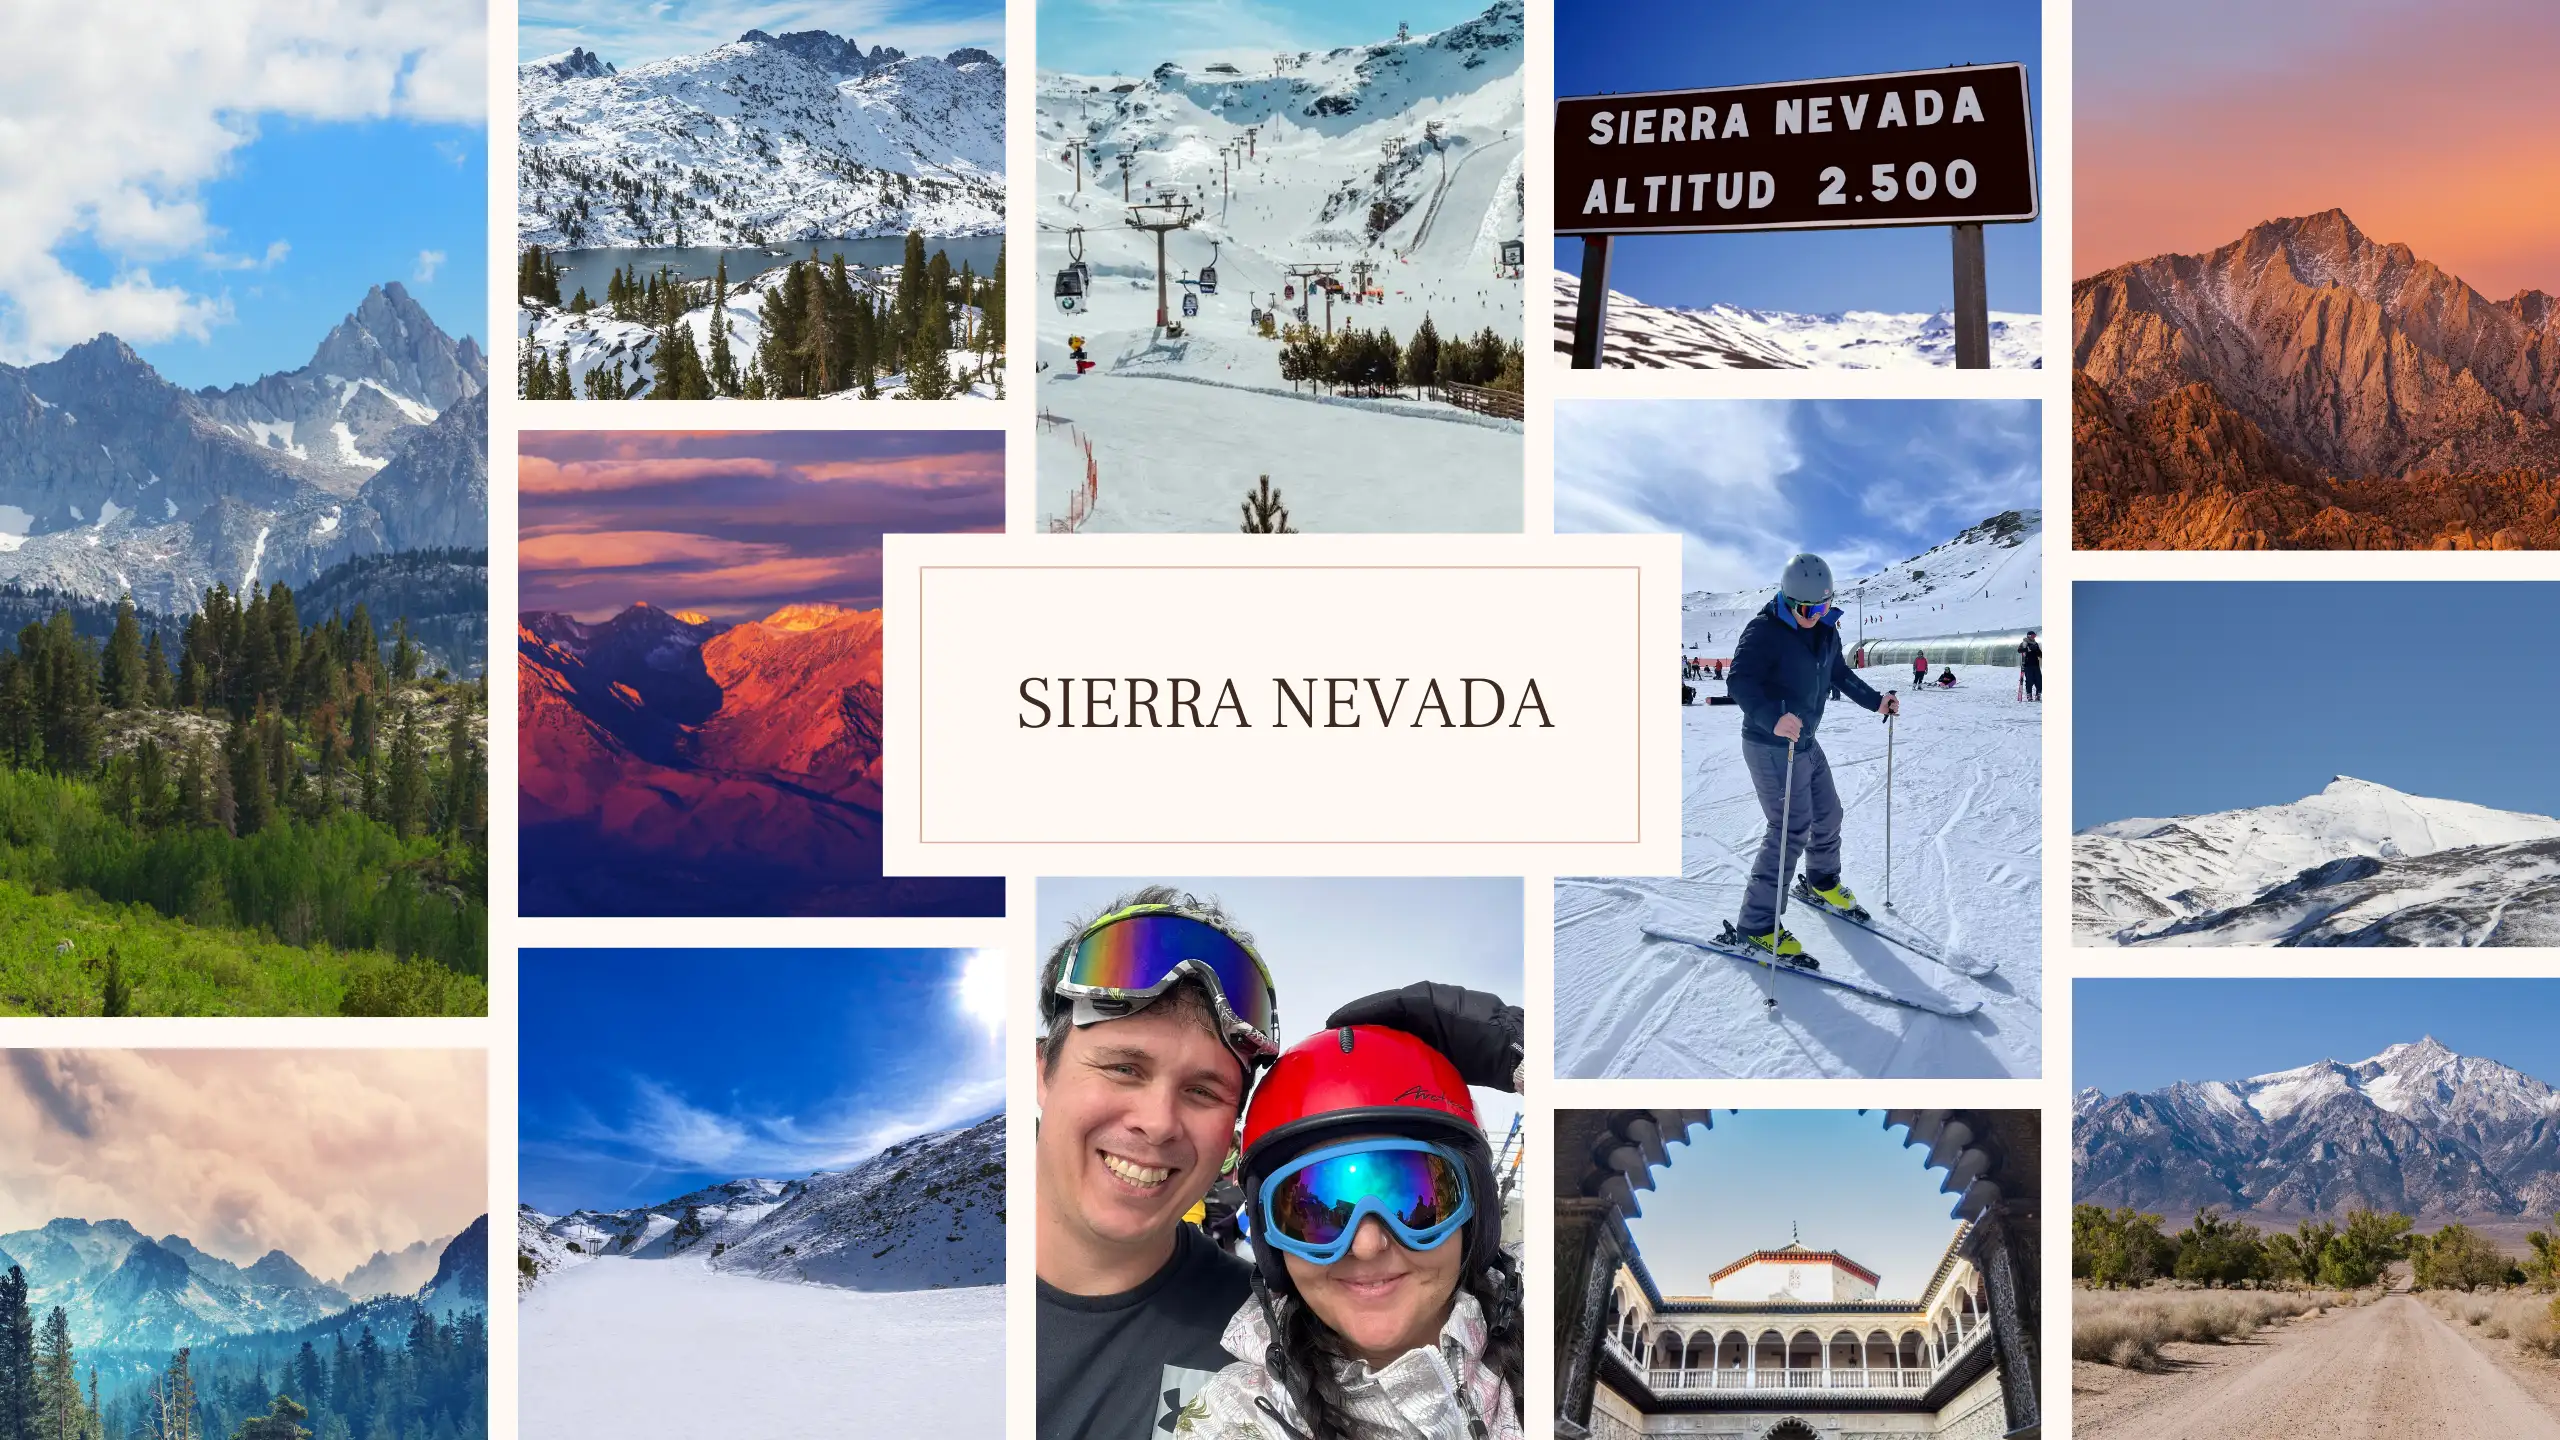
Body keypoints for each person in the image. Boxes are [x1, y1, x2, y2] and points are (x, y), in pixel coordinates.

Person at [1036, 888, 1523, 1440]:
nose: (1158, 1121)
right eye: (1123, 1068)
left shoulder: (1254, 1320)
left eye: (1203, 1090)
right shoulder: (1244, 1406)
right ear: (1039, 1072)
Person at [1174, 1025, 1523, 1439]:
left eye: (1413, 1203)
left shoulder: (1556, 1319)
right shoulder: (1236, 1419)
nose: (1367, 1245)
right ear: (1271, 1239)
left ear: (1475, 1212)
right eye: (1318, 1216)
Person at [1725, 554, 1899, 956]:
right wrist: (1772, 717)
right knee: (1789, 829)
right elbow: (1740, 680)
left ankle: (1822, 881)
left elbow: (1838, 674)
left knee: (1829, 813)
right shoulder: (1764, 631)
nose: (1814, 615)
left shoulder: (1825, 630)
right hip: (1770, 744)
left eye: (1822, 607)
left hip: (1805, 741)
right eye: (1806, 609)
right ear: (1787, 600)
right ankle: (1756, 924)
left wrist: (1876, 702)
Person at [2019, 630, 2043, 701]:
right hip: (2028, 665)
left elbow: (2039, 654)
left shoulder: (2035, 643)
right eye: (2032, 636)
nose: (2033, 637)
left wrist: (2037, 651)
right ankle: (2029, 695)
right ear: (2029, 636)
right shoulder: (2024, 643)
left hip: (2036, 665)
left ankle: (2038, 694)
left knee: (2039, 680)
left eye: (2034, 636)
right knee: (2029, 680)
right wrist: (2028, 649)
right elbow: (2019, 650)